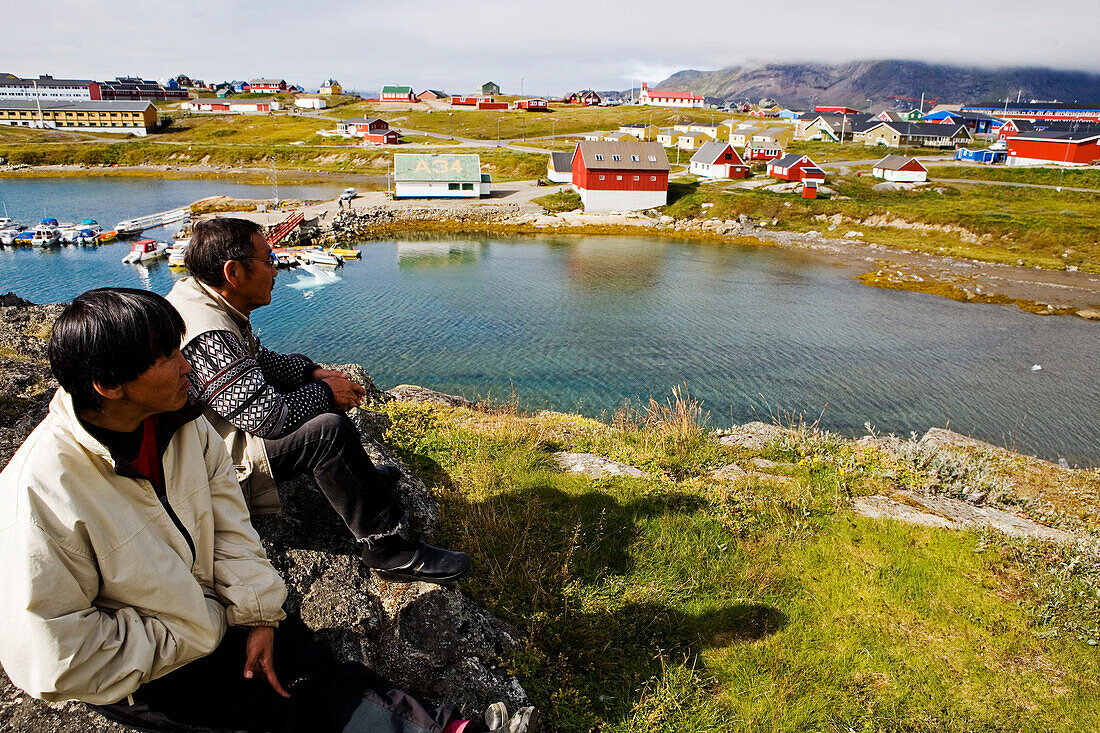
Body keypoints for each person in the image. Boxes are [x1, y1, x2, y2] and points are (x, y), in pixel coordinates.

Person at [0, 288, 533, 733]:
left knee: (318, 672)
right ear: (109, 386)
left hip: (220, 613)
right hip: (149, 670)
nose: (188, 365)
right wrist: (204, 628)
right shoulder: (40, 492)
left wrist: (256, 614)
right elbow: (57, 656)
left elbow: (229, 524)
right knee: (275, 717)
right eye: (167, 356)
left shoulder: (180, 425)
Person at [167, 217, 469, 584]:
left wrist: (312, 374)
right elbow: (267, 419)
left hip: (211, 440)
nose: (275, 270)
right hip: (211, 465)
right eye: (268, 260)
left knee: (317, 404)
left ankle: (361, 485)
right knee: (328, 432)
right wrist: (328, 393)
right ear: (234, 272)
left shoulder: (204, 300)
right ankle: (386, 548)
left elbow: (258, 360)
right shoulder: (207, 331)